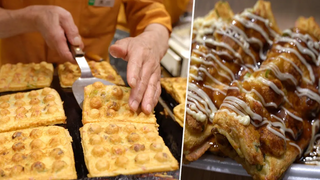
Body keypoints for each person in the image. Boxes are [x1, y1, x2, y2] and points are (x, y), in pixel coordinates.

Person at [0, 0, 172, 115]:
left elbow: (152, 12)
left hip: (95, 73)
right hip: (11, 81)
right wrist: (30, 18)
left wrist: (151, 42)